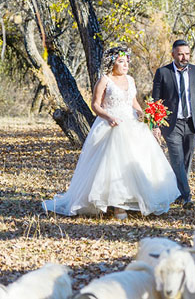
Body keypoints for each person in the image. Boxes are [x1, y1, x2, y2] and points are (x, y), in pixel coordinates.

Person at [43, 46, 180, 219]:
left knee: (136, 162)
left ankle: (135, 201)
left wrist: (141, 112)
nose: (125, 65)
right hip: (111, 125)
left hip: (131, 124)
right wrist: (108, 117)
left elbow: (133, 101)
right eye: (121, 61)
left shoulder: (130, 80)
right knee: (113, 165)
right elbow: (95, 105)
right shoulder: (104, 80)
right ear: (112, 63)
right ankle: (117, 206)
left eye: (126, 61)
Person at [152, 39, 195, 209]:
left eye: (187, 54)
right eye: (180, 54)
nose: (184, 57)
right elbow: (156, 100)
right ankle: (187, 196)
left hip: (192, 123)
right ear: (173, 54)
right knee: (177, 160)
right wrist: (155, 125)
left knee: (187, 159)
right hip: (171, 124)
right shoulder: (163, 72)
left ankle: (178, 192)